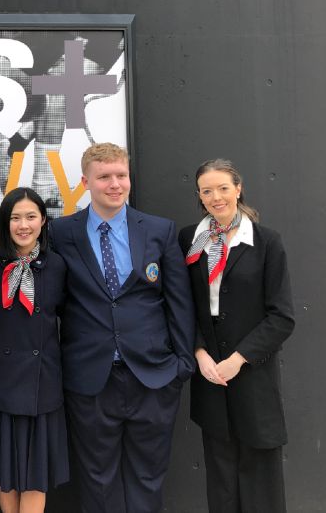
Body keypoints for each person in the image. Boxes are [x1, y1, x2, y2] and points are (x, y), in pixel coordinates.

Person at [49, 142, 195, 513]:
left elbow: (178, 301)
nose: (114, 184)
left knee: (148, 475)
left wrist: (181, 365)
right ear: (85, 182)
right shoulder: (61, 233)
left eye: (121, 175)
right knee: (98, 478)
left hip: (153, 376)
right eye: (104, 177)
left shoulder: (160, 231)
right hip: (90, 379)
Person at [178, 159, 294, 513]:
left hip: (252, 374)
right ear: (199, 195)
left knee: (260, 475)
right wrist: (199, 352)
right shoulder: (189, 240)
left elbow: (282, 317)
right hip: (210, 375)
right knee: (221, 477)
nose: (216, 197)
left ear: (238, 189)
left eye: (223, 188)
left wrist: (238, 360)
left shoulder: (266, 241)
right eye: (207, 191)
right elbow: (183, 306)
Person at [0, 187, 69, 513]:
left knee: (36, 471)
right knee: (5, 468)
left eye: (31, 217)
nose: (23, 225)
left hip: (43, 383)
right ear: (4, 222)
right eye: (15, 218)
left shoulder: (58, 266)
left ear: (42, 221)